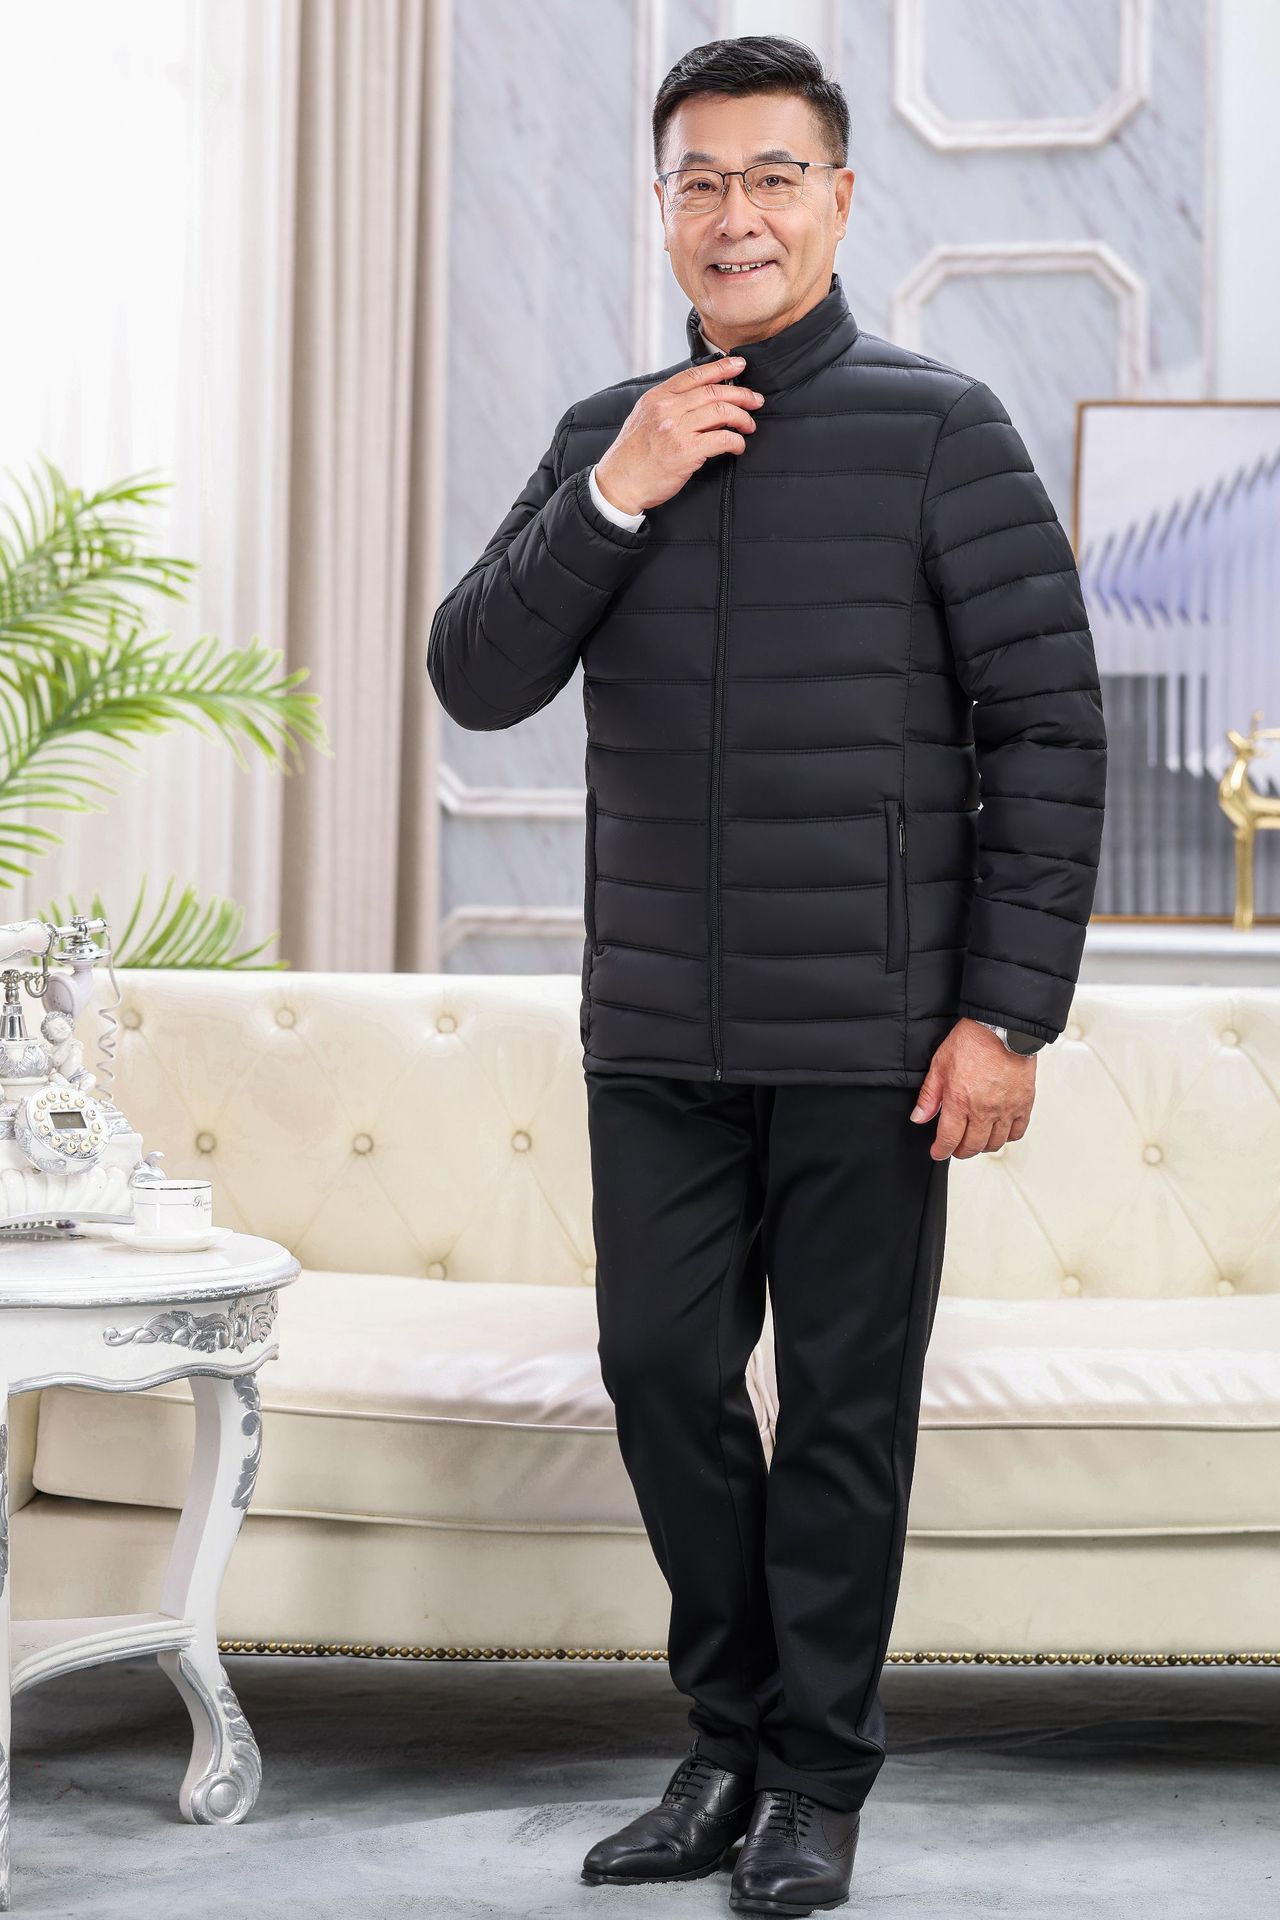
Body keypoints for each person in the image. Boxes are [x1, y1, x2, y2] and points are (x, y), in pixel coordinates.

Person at [427, 31, 1107, 1919]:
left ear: (839, 200)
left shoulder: (941, 428)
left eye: (772, 176)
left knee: (844, 1412)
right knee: (660, 1373)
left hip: (875, 1038)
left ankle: (813, 1780)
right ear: (663, 211)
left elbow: (1049, 734)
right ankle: (725, 1743)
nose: (736, 213)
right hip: (657, 1025)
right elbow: (476, 674)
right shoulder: (607, 433)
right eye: (700, 181)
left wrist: (1006, 1016)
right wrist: (618, 491)